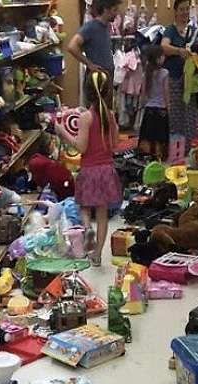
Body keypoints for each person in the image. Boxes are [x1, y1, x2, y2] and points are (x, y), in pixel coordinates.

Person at [57, 70, 121, 267]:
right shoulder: (110, 115)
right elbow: (115, 143)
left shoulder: (86, 117)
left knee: (84, 206)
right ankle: (98, 255)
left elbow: (81, 147)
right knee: (102, 214)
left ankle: (86, 227)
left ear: (87, 92)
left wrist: (63, 133)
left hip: (89, 170)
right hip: (107, 170)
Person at [162, 0, 198, 150]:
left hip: (191, 79)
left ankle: (190, 147)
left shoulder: (195, 31)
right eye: (181, 9)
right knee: (175, 113)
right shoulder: (170, 30)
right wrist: (179, 51)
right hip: (174, 77)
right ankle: (175, 148)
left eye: (187, 9)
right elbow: (164, 47)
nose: (184, 12)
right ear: (175, 11)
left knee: (190, 113)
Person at [67, 0, 122, 80]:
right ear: (106, 10)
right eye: (114, 10)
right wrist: (89, 64)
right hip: (96, 78)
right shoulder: (91, 27)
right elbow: (72, 46)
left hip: (107, 77)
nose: (116, 13)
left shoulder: (106, 26)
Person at [138, 45, 170, 159]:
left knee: (149, 135)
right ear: (158, 58)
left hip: (149, 108)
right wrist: (168, 107)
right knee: (160, 136)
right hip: (161, 108)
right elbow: (166, 93)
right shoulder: (165, 73)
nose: (164, 57)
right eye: (162, 56)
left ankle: (148, 156)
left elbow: (143, 94)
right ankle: (159, 156)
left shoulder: (146, 73)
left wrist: (142, 105)